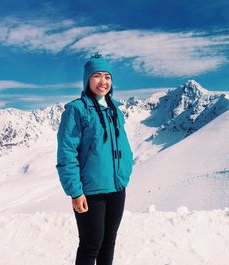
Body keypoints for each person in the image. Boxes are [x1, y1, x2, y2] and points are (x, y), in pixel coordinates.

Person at [56, 52, 133, 265]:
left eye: (107, 76)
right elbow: (67, 152)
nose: (103, 81)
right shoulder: (76, 110)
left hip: (117, 188)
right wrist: (75, 191)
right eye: (97, 76)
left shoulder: (115, 110)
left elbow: (122, 145)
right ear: (87, 79)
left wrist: (126, 170)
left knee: (109, 242)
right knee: (91, 245)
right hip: (90, 191)